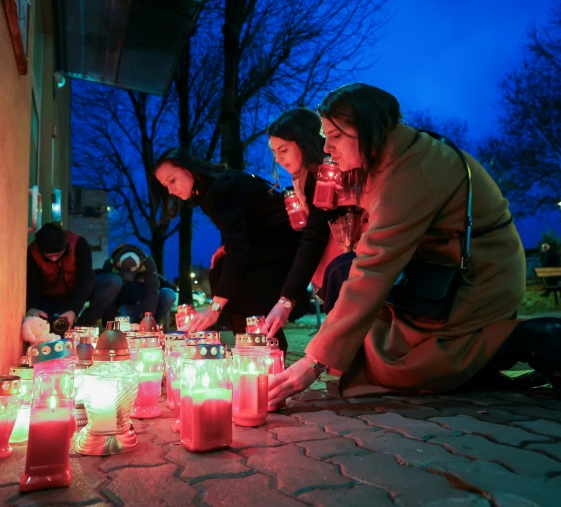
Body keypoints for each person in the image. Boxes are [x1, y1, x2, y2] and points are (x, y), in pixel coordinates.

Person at [268, 83, 561, 406]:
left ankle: (530, 340)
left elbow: (374, 265)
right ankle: (482, 364)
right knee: (370, 343)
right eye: (325, 138)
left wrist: (312, 363)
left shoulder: (410, 171)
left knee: (399, 367)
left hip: (477, 277)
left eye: (336, 136)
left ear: (366, 129)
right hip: (437, 272)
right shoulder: (390, 155)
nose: (327, 148)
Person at [150, 148, 305, 353]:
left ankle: (264, 350)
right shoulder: (208, 191)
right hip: (269, 240)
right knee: (223, 270)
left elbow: (239, 249)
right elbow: (242, 225)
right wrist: (227, 246)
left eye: (172, 180)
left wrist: (215, 308)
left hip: (286, 241)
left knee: (235, 281)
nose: (170, 190)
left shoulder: (217, 190)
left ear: (189, 169)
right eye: (165, 185)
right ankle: (254, 346)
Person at [263, 108, 361, 338]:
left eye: (284, 149)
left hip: (350, 274)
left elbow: (314, 237)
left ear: (305, 142)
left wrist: (287, 300)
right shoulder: (303, 180)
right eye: (275, 152)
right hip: (340, 275)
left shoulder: (324, 177)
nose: (278, 158)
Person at [26, 222, 102, 328]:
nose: (54, 259)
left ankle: (81, 325)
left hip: (78, 292)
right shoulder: (32, 253)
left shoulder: (78, 243)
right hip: (51, 298)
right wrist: (32, 307)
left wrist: (74, 309)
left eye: (58, 255)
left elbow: (86, 278)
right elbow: (32, 283)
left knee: (112, 282)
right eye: (49, 256)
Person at [82, 243, 177, 325]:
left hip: (142, 303)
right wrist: (110, 321)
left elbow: (152, 292)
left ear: (139, 264)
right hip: (122, 307)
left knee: (168, 294)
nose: (129, 279)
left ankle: (152, 325)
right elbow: (108, 297)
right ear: (118, 264)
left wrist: (147, 321)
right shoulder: (110, 263)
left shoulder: (147, 263)